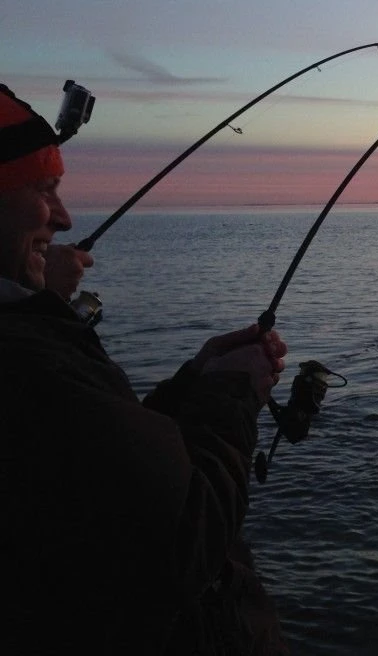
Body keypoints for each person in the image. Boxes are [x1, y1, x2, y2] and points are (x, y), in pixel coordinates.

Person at [0, 83, 290, 655]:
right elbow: (183, 538)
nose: (63, 217)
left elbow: (101, 471)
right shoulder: (25, 364)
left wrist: (195, 381)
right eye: (41, 189)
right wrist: (232, 393)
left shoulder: (29, 341)